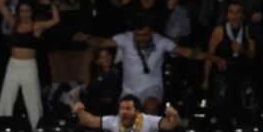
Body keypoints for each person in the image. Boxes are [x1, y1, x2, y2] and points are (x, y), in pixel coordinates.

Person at [75, 18, 225, 114]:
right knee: (125, 113)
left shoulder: (161, 41)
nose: (141, 39)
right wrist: (86, 38)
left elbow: (186, 52)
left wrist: (213, 58)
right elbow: (102, 42)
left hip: (152, 87)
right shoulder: (125, 39)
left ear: (151, 32)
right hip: (129, 89)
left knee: (151, 106)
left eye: (145, 35)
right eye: (138, 35)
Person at [0, 0, 60, 131]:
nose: (25, 14)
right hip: (13, 65)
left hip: (29, 66)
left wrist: (51, 0)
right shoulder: (14, 23)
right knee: (6, 99)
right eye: (22, 11)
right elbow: (1, 4)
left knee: (33, 100)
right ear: (18, 12)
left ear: (31, 12)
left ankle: (37, 130)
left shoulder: (36, 26)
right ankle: (1, 129)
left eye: (27, 11)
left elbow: (56, 20)